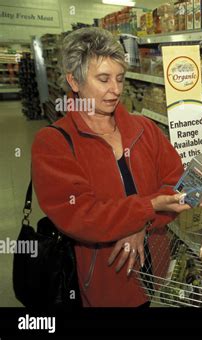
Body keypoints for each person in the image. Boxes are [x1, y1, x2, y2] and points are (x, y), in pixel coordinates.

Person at [31, 27, 191, 307]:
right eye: (103, 79)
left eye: (119, 78)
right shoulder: (53, 142)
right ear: (74, 81)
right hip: (106, 282)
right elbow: (81, 214)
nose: (115, 89)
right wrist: (146, 209)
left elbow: (178, 185)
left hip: (156, 271)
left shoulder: (144, 129)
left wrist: (143, 222)